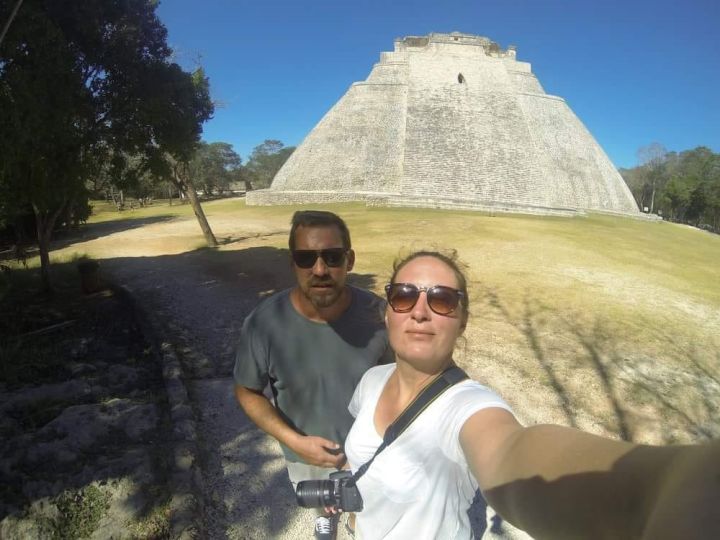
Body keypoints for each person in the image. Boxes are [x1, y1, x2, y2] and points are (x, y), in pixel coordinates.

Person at [342, 249, 720, 539]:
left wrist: (659, 490)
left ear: (462, 321)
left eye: (442, 299)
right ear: (388, 312)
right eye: (404, 295)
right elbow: (359, 452)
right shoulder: (372, 380)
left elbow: (511, 452)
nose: (420, 311)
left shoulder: (465, 406)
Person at [233, 210, 394, 539]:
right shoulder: (264, 324)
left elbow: (400, 382)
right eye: (306, 258)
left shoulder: (380, 316)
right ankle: (325, 515)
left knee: (367, 510)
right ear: (293, 263)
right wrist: (295, 442)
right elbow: (247, 390)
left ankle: (356, 522)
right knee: (322, 501)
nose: (319, 270)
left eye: (332, 257)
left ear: (349, 260)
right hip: (305, 453)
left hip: (371, 452)